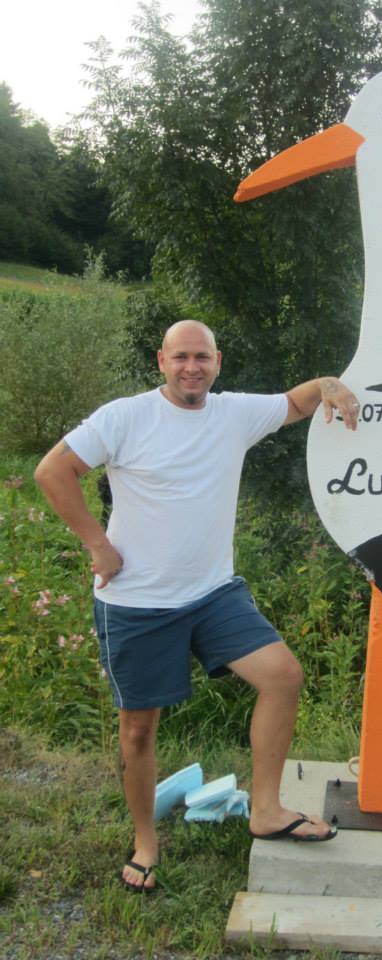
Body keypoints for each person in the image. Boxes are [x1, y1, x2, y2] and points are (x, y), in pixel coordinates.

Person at [34, 319, 360, 892]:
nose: (192, 367)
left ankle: (266, 811)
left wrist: (333, 386)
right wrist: (97, 544)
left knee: (283, 676)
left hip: (212, 594)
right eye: (181, 356)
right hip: (136, 602)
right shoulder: (124, 417)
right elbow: (52, 471)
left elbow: (297, 401)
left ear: (217, 361)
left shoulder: (233, 413)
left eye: (202, 357)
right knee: (139, 729)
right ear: (162, 361)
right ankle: (146, 842)